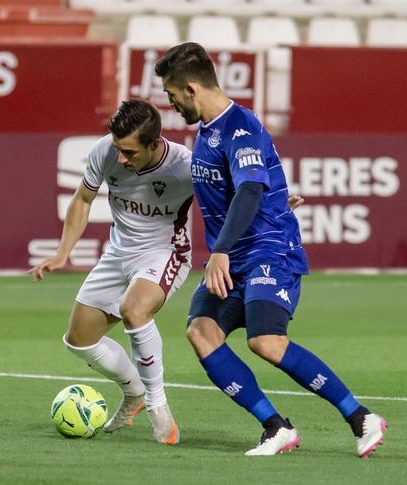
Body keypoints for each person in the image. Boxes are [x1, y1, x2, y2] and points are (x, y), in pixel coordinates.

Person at [155, 42, 386, 458]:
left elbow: (247, 188)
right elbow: (250, 186)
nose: (171, 105)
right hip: (237, 255)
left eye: (172, 96)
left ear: (191, 89)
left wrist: (222, 249)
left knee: (266, 341)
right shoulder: (207, 131)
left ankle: (361, 417)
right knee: (201, 332)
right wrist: (277, 200)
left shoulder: (239, 125)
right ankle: (275, 427)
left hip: (268, 251)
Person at [29, 100, 194, 444]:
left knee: (134, 310)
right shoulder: (106, 150)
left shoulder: (184, 166)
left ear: (153, 144)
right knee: (78, 339)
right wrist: (63, 253)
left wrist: (273, 203)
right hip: (119, 252)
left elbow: (233, 194)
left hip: (165, 252)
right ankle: (134, 391)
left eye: (129, 152)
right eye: (118, 149)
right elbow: (83, 200)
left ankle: (158, 406)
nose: (121, 159)